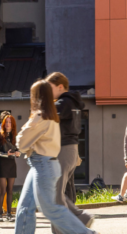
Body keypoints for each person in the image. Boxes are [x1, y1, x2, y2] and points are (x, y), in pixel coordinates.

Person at [14, 80, 96, 234]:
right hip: (42, 164)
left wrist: (26, 128)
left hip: (42, 164)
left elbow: (21, 143)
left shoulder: (40, 116)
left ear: (36, 97)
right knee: (25, 207)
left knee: (51, 209)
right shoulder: (52, 116)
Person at [46, 72, 94, 230]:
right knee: (58, 193)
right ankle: (74, 222)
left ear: (60, 86)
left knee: (56, 194)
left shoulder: (63, 103)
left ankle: (81, 218)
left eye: (50, 87)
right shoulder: (72, 102)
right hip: (71, 149)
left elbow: (45, 120)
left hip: (63, 150)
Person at [0, 112, 20, 222]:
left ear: (13, 124)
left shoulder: (15, 136)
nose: (8, 124)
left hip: (11, 164)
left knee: (10, 190)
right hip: (2, 164)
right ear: (3, 123)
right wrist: (6, 154)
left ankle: (9, 213)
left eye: (10, 122)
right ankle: (0, 213)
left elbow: (18, 150)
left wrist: (18, 154)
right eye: (6, 122)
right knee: (2, 189)